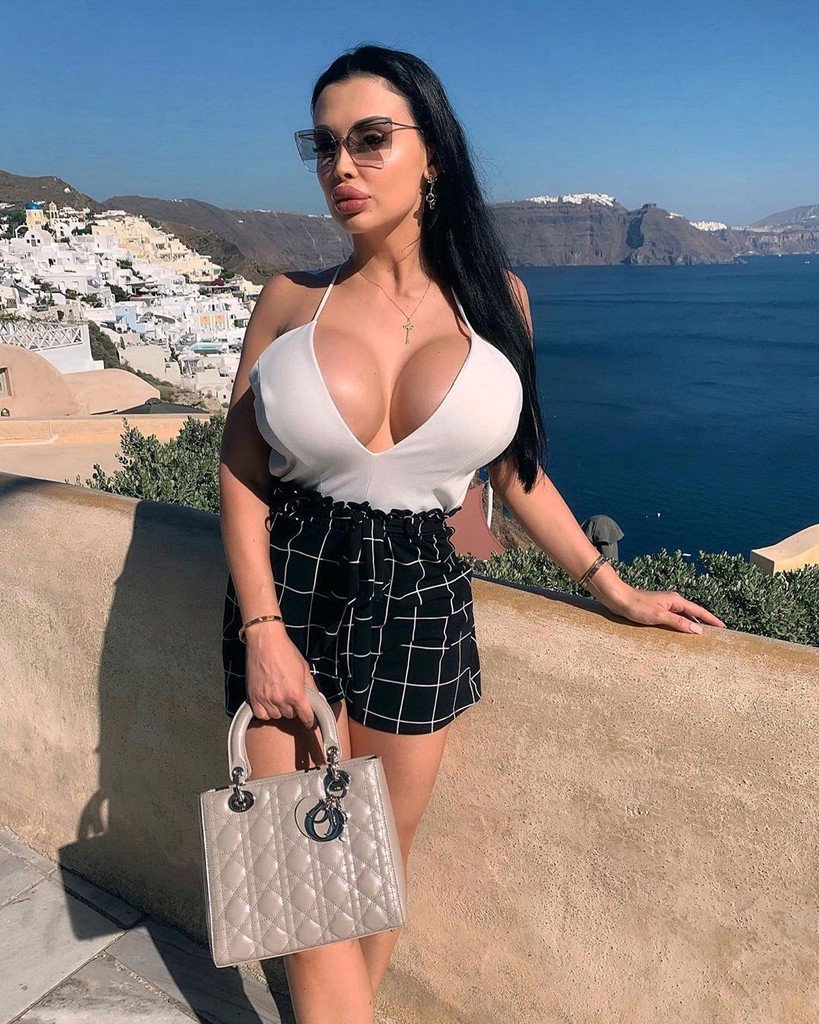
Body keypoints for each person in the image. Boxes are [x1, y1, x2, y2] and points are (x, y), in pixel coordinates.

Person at [218, 43, 726, 1024]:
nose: (342, 166)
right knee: (306, 883)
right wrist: (262, 628)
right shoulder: (289, 298)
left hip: (422, 596)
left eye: (371, 139)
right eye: (323, 145)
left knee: (375, 867)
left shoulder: (500, 303)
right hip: (294, 582)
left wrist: (611, 586)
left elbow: (515, 473)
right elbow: (240, 474)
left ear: (433, 155)